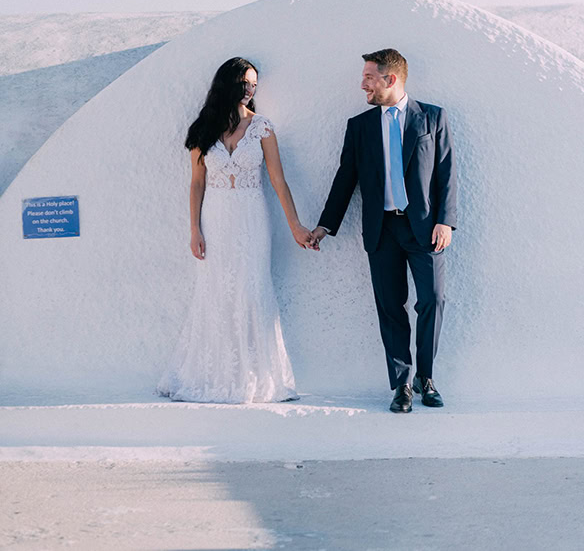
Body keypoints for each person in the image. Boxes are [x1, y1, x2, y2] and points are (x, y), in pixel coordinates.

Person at [157, 57, 314, 403]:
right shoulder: (203, 129)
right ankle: (211, 374)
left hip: (250, 218)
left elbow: (278, 182)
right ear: (226, 84)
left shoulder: (262, 128)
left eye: (253, 84)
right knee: (215, 292)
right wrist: (194, 229)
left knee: (251, 290)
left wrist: (296, 227)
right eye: (244, 83)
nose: (249, 90)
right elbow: (197, 183)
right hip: (216, 219)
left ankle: (254, 376)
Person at [310, 49, 457, 413]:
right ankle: (402, 384)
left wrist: (446, 220)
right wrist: (325, 226)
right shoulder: (359, 126)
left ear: (390, 79)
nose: (362, 85)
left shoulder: (432, 118)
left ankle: (426, 377)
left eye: (369, 78)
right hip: (381, 230)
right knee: (390, 308)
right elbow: (346, 179)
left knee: (433, 301)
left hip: (425, 229)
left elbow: (447, 174)